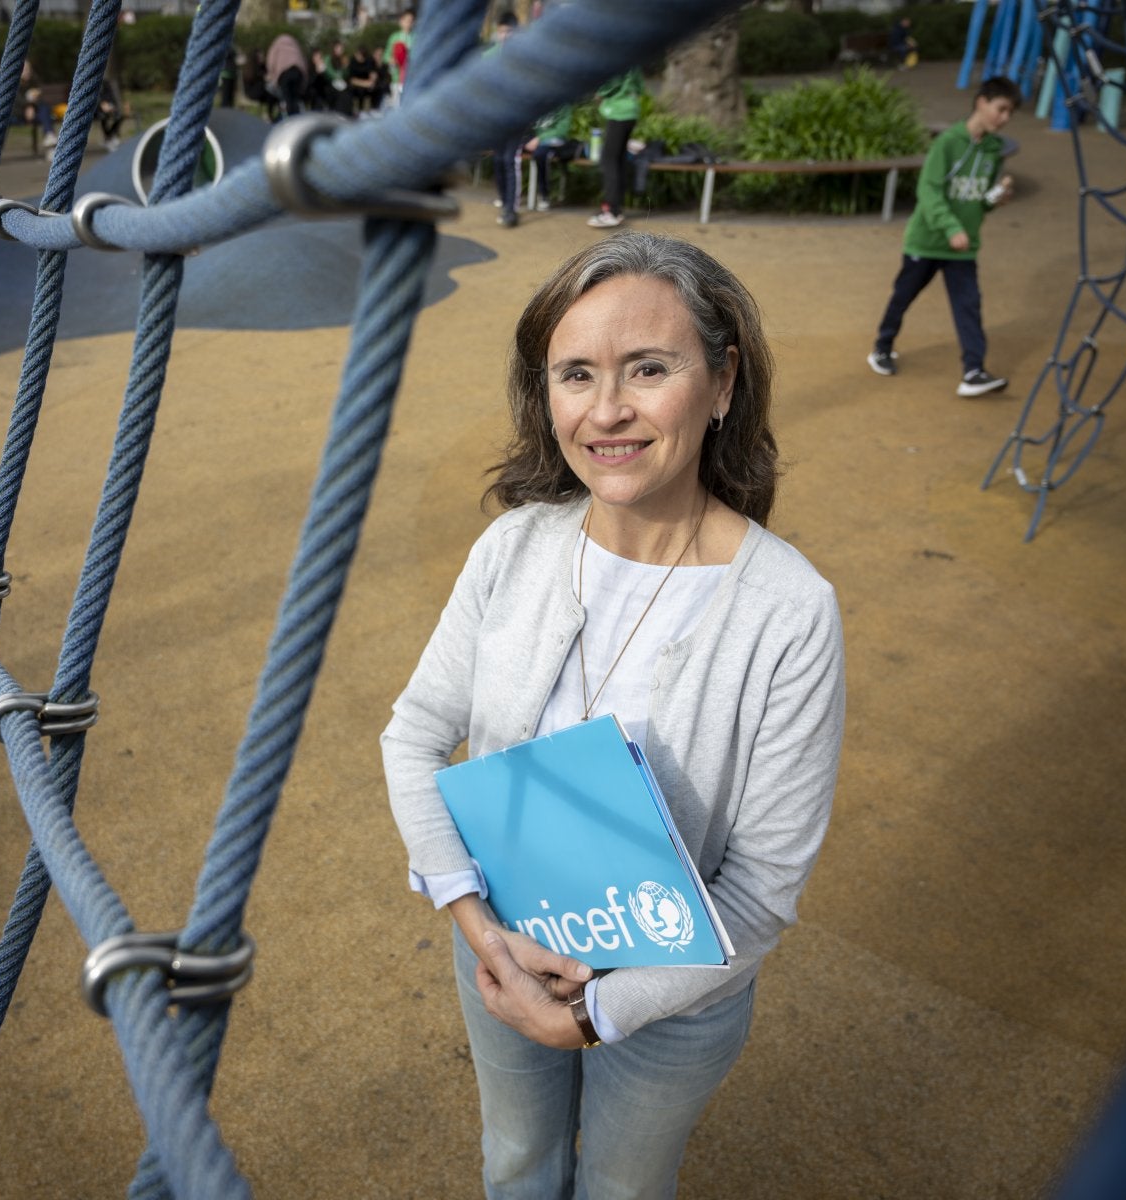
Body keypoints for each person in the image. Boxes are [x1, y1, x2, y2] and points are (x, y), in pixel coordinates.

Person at [383, 232, 846, 1200]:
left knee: (623, 1191)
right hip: (503, 953)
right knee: (516, 1163)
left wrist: (599, 1014)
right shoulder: (514, 547)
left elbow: (761, 890)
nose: (607, 411)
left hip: (673, 1001)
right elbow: (417, 730)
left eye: (648, 369)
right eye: (576, 374)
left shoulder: (790, 611)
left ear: (722, 383)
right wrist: (480, 930)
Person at [868, 75, 1020, 397]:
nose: (1004, 118)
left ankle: (974, 371)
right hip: (926, 242)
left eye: (1010, 113)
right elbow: (929, 190)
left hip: (963, 249)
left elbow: (980, 201)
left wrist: (996, 198)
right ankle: (882, 347)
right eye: (1001, 109)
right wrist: (951, 228)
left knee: (969, 306)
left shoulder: (993, 151)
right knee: (903, 296)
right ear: (981, 102)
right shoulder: (948, 142)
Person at [588, 66, 643, 228]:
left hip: (618, 112)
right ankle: (616, 209)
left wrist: (599, 91)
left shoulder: (617, 54)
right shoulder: (634, 58)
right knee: (619, 159)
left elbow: (609, 83)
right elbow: (639, 87)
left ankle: (611, 211)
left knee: (608, 160)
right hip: (631, 110)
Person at [486, 12, 524, 227]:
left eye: (509, 31)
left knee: (510, 160)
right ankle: (503, 200)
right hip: (496, 118)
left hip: (517, 118)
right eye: (501, 31)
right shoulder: (490, 56)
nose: (505, 35)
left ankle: (511, 209)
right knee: (498, 160)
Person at [526, 103, 577, 210]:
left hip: (554, 141)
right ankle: (507, 196)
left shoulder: (564, 104)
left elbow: (562, 131)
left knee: (540, 154)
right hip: (534, 139)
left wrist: (539, 138)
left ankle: (544, 196)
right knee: (508, 149)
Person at [265, 33, 309, 121]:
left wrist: (271, 74)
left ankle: (289, 119)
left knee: (286, 97)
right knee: (295, 98)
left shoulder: (277, 45)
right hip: (298, 72)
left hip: (284, 73)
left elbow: (271, 61)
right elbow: (303, 62)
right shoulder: (295, 45)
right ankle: (296, 117)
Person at [385, 8, 415, 105]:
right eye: (406, 21)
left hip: (410, 77)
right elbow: (386, 55)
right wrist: (391, 60)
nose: (408, 24)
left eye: (411, 21)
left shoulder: (416, 37)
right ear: (401, 21)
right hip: (396, 77)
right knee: (396, 104)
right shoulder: (394, 37)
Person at [347, 43, 378, 114]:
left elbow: (373, 76)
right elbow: (352, 80)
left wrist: (371, 81)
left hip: (366, 86)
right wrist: (365, 83)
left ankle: (374, 109)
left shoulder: (369, 61)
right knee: (356, 90)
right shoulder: (353, 61)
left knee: (377, 88)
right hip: (356, 86)